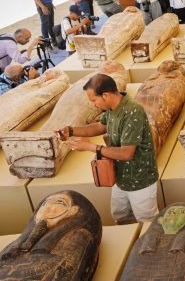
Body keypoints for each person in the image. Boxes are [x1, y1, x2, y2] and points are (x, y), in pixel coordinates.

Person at [60, 74, 159, 223]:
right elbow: (100, 127)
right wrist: (71, 131)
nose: (93, 105)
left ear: (105, 95)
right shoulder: (112, 108)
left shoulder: (133, 111)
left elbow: (127, 153)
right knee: (120, 215)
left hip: (140, 180)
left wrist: (90, 147)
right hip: (120, 177)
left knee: (146, 221)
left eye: (94, 100)